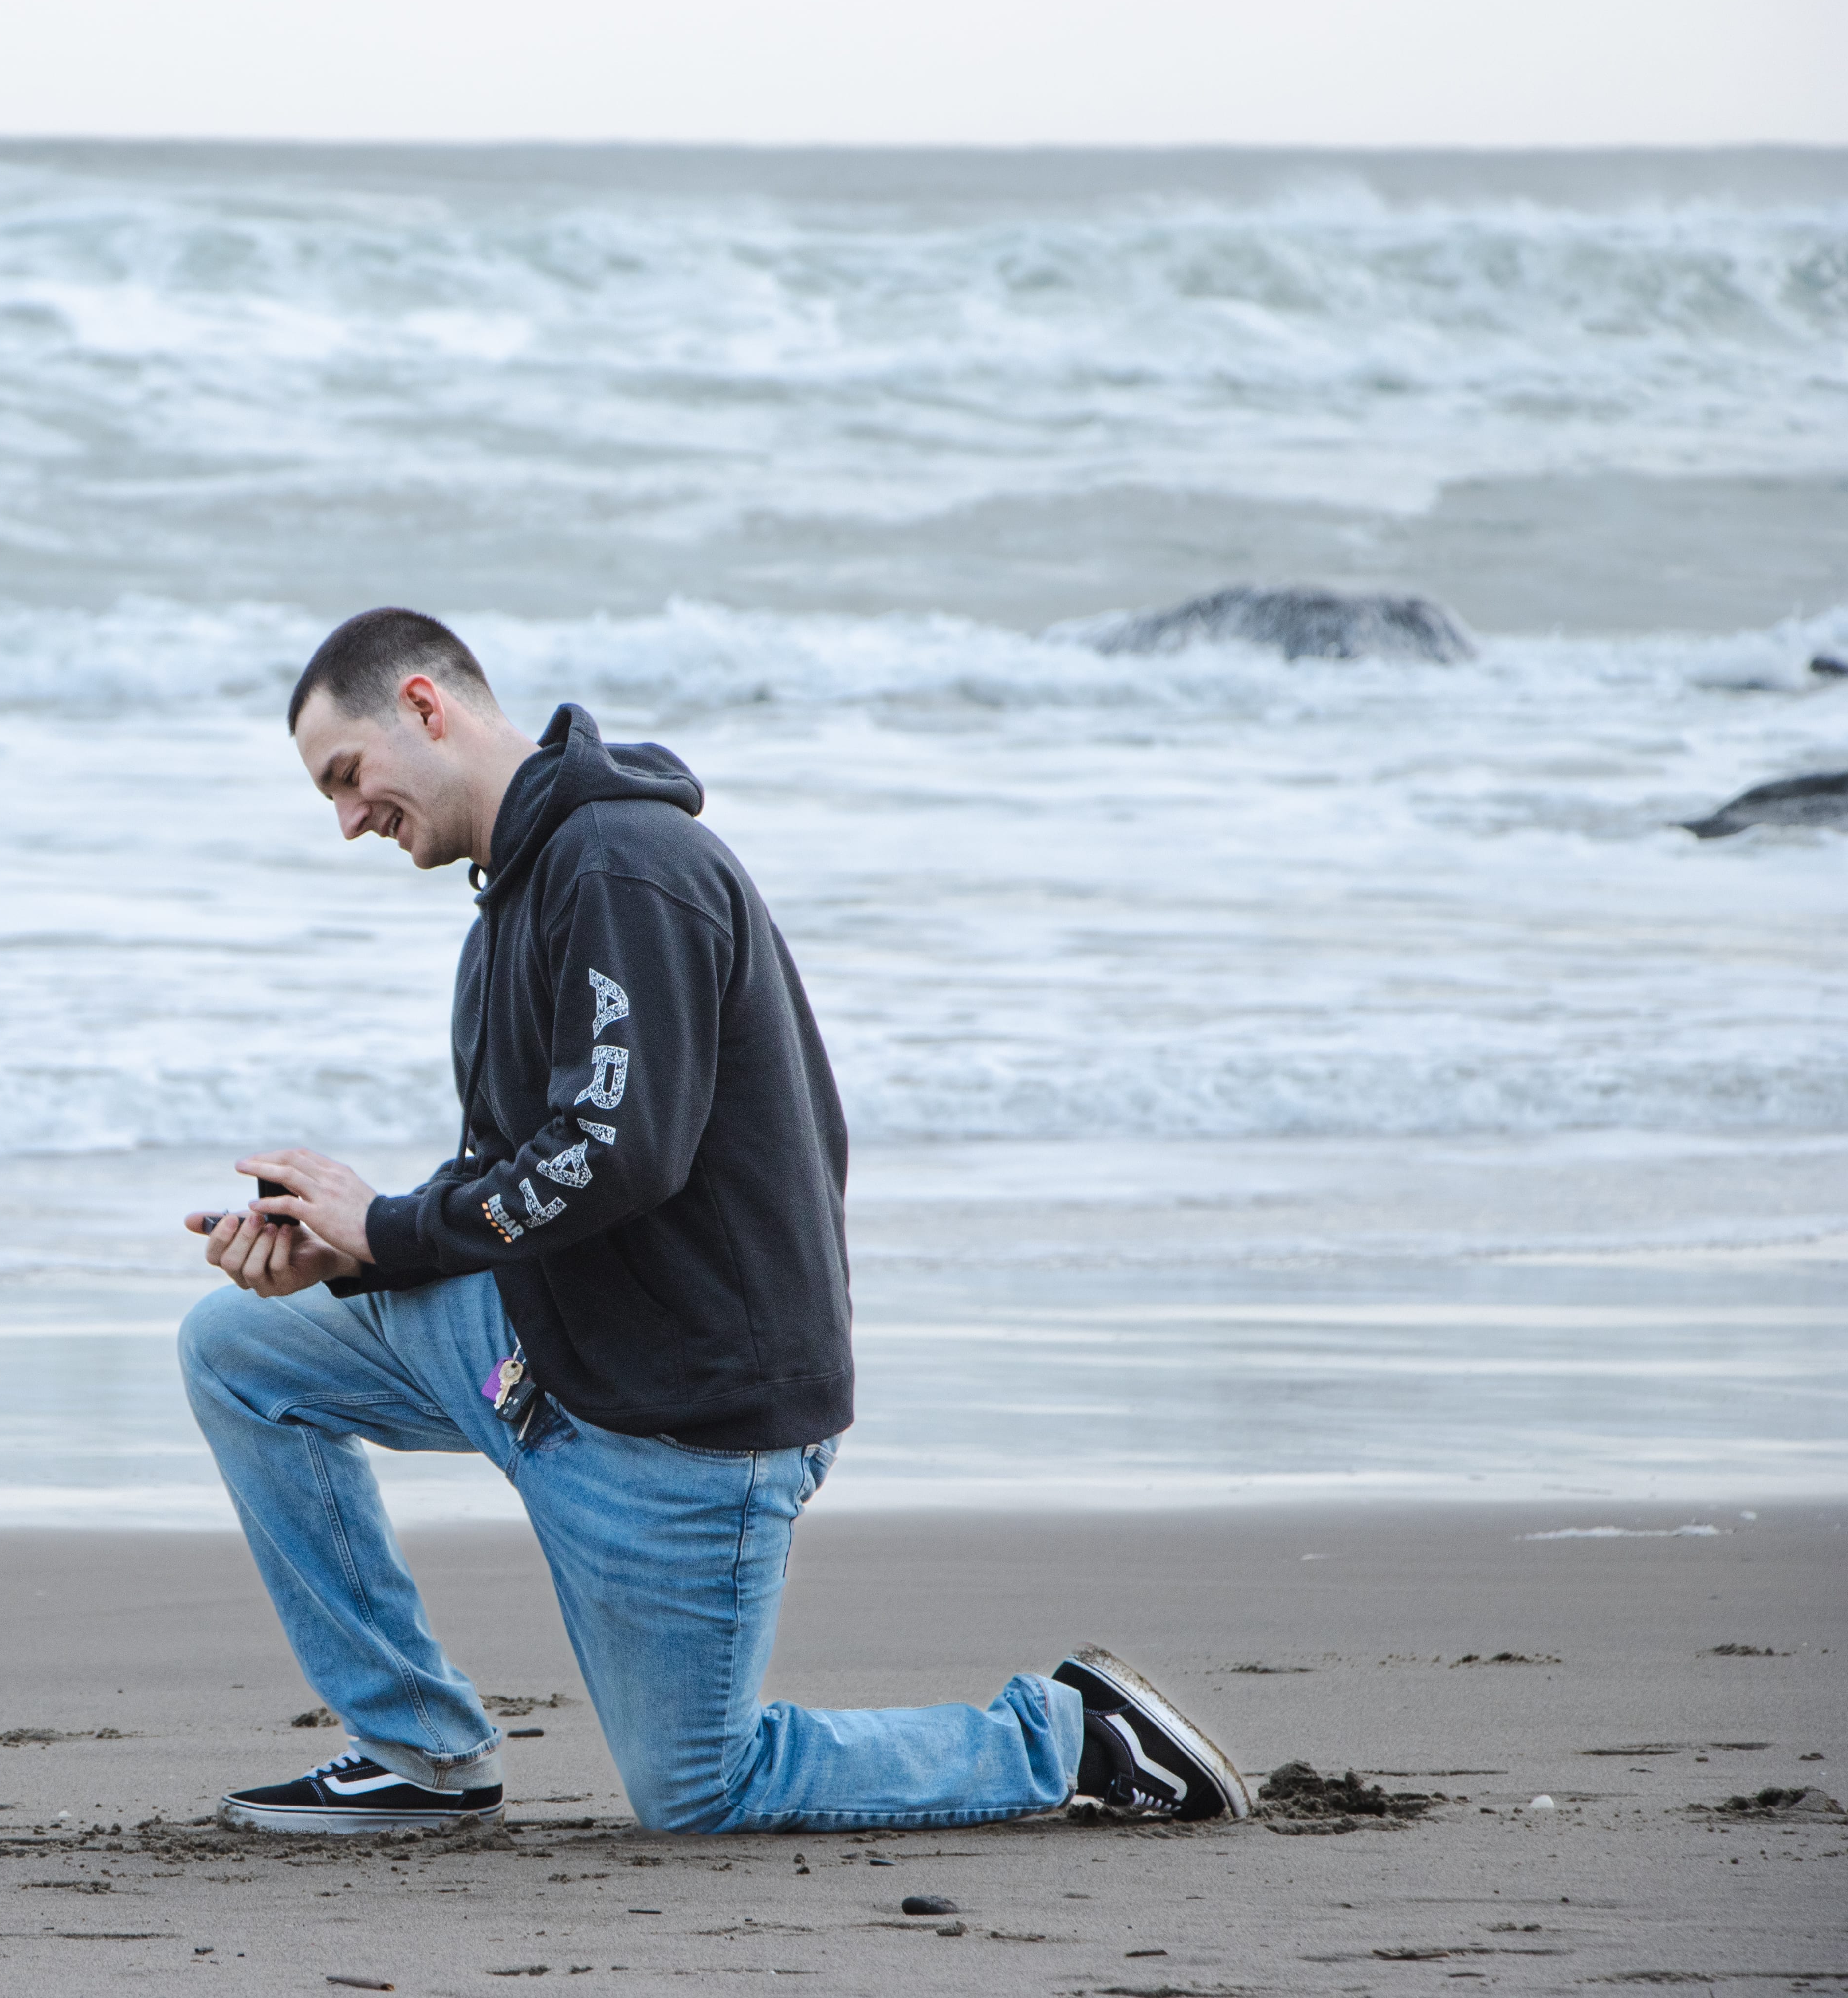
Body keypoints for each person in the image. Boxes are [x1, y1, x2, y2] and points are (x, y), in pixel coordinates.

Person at [176, 607, 1250, 1836]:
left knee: (700, 1789)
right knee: (238, 1352)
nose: (347, 820)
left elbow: (613, 1154)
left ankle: (1076, 1740)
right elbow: (533, 1169)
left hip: (686, 1423)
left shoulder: (623, 867)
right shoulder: (512, 908)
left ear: (426, 706)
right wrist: (353, 1250)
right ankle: (418, 1749)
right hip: (542, 1349)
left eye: (347, 776)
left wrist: (397, 1227)